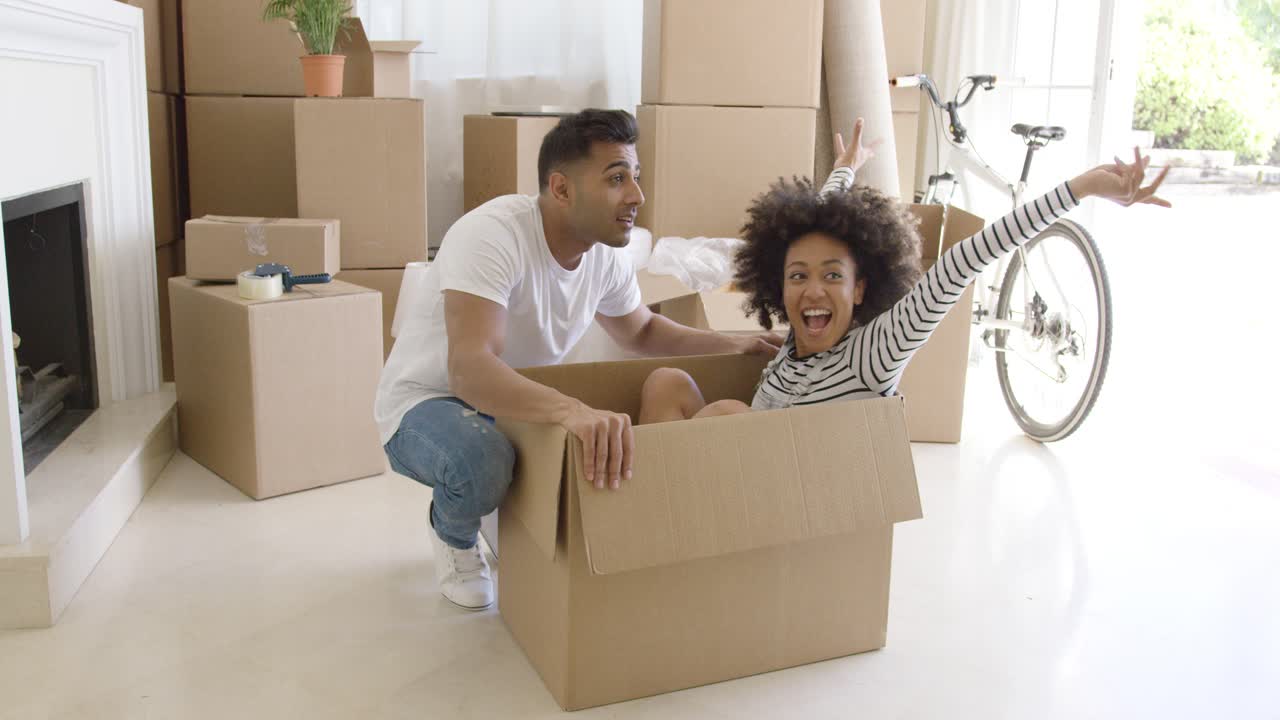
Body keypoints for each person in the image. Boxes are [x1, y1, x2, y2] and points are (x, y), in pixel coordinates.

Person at [374, 109, 781, 610]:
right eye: (616, 179)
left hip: (506, 401)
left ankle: (492, 506)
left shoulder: (605, 253)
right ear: (562, 189)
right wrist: (570, 410)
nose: (636, 195)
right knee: (482, 460)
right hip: (429, 403)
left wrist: (731, 343)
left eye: (635, 177)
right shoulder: (492, 236)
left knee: (587, 455)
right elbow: (470, 369)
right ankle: (453, 533)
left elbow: (643, 330)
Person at [638, 119, 1171, 423]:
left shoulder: (872, 354)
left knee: (727, 414)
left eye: (833, 276)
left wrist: (1083, 188)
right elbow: (818, 230)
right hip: (724, 476)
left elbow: (966, 259)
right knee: (667, 381)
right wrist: (844, 171)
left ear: (862, 285)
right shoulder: (792, 349)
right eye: (797, 276)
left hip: (785, 505)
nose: (812, 289)